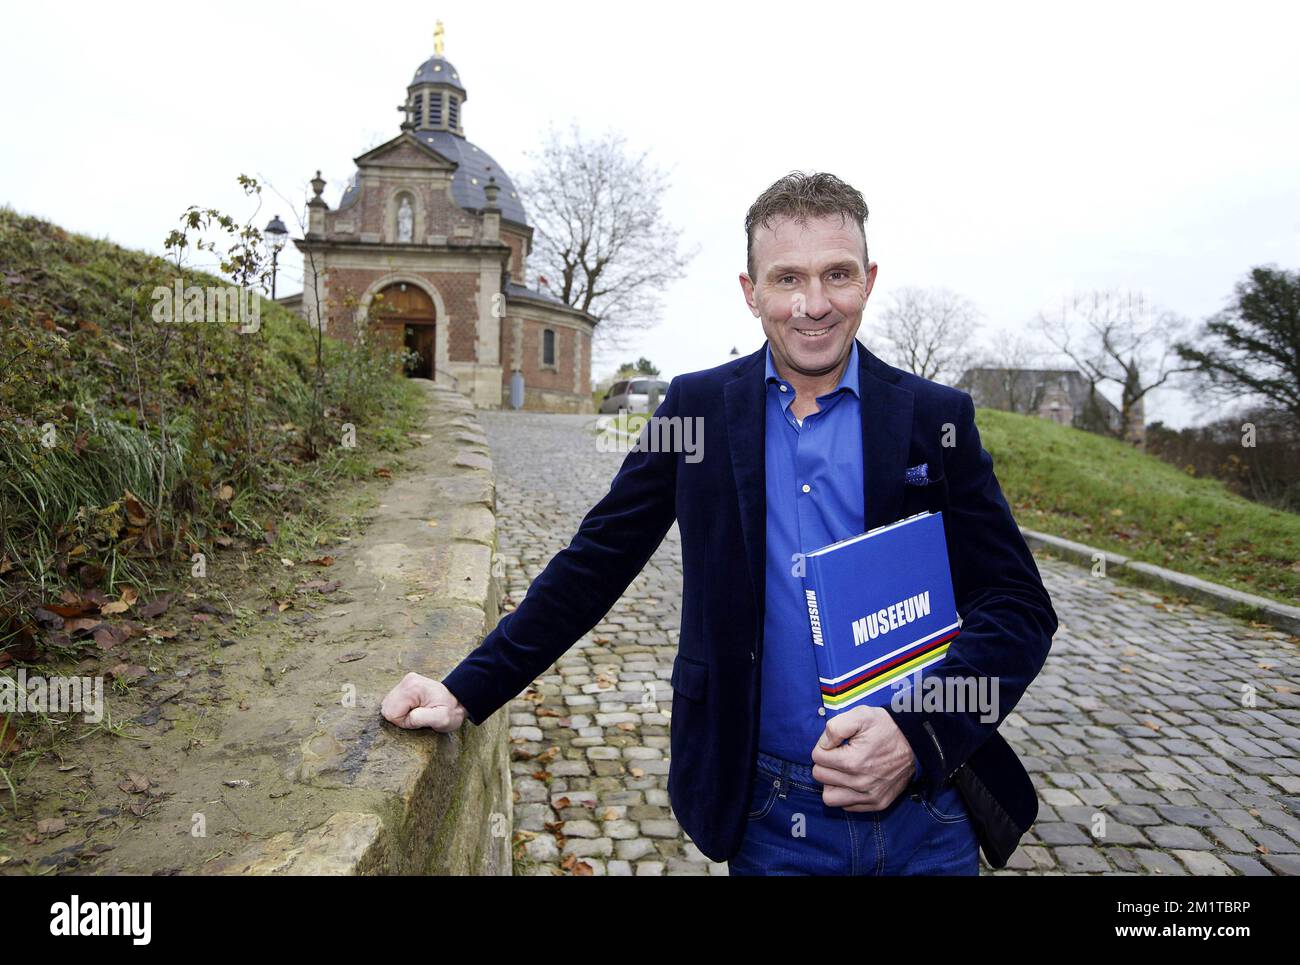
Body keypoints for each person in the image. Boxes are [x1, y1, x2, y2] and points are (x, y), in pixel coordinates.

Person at [381, 171, 1058, 875]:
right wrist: (466, 687)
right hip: (768, 811)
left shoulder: (935, 417)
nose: (814, 304)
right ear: (751, 291)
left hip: (932, 812)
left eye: (837, 274)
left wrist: (917, 735)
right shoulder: (697, 411)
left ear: (869, 279)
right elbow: (596, 562)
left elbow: (1018, 608)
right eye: (788, 278)